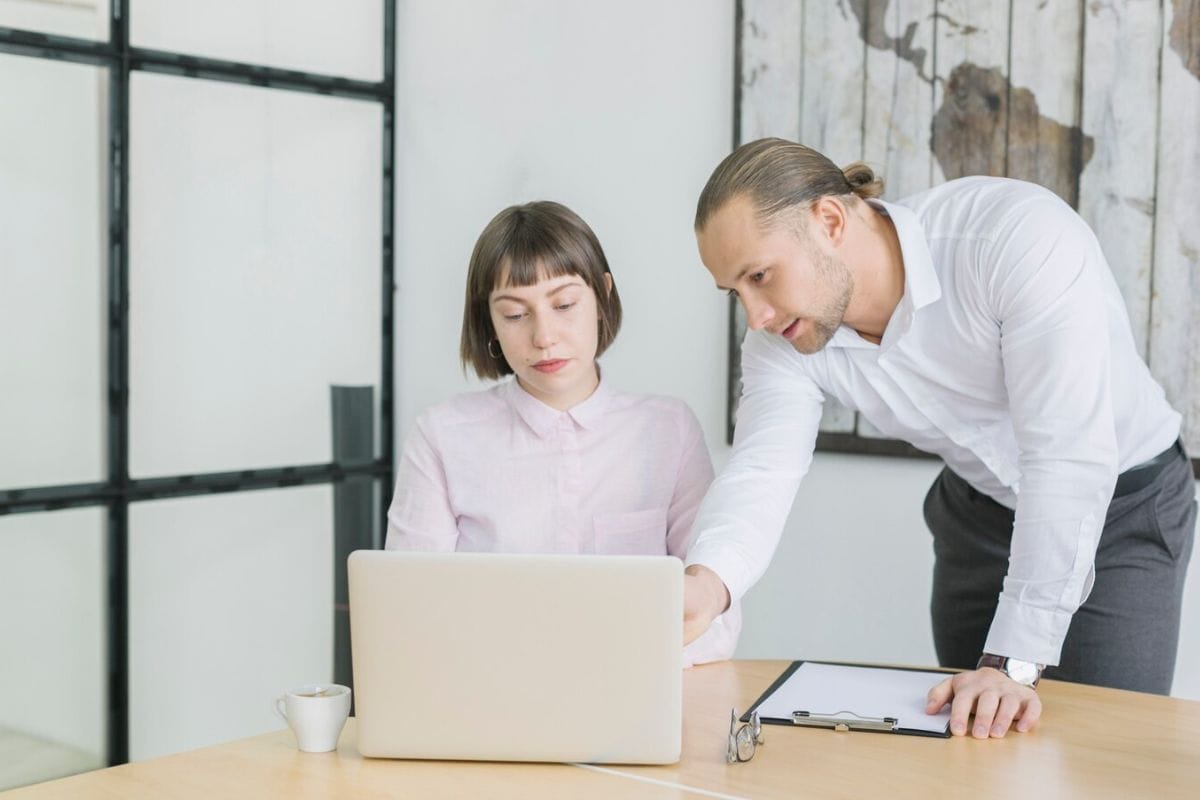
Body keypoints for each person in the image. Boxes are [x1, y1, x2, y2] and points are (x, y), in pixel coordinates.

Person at [681, 137, 1195, 736]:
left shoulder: (1013, 238)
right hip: (977, 516)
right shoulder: (783, 340)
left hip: (1125, 511)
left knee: (1112, 747)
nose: (757, 315)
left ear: (829, 219)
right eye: (735, 292)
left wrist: (1012, 661)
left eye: (761, 276)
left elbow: (1065, 457)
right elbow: (762, 469)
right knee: (970, 749)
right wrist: (706, 585)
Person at [386, 200, 740, 666]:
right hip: (487, 704)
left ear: (602, 296)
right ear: (488, 320)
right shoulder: (443, 437)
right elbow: (405, 613)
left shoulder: (668, 431)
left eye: (565, 304)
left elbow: (714, 623)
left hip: (634, 705)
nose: (544, 336)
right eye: (515, 314)